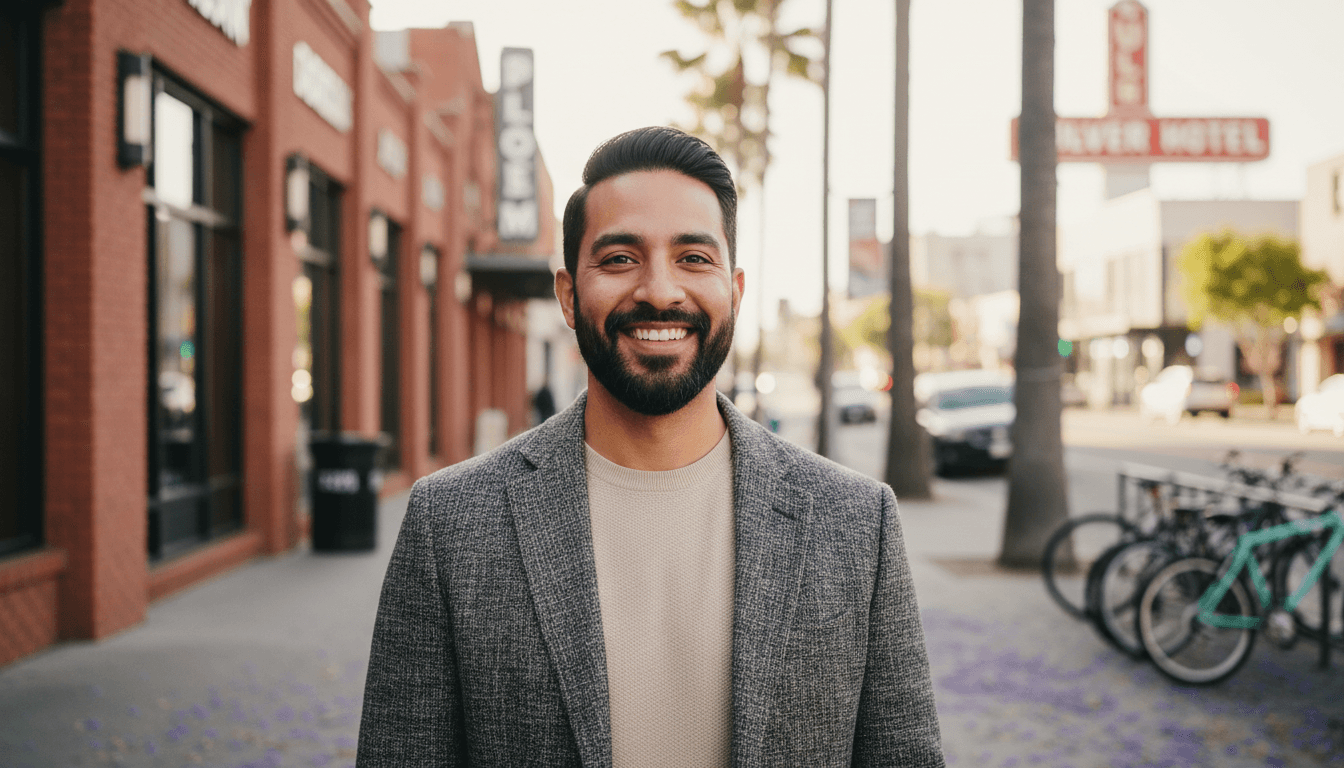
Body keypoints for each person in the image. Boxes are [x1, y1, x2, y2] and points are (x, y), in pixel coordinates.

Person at [357, 126, 943, 767]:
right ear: (568, 295)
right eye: (619, 259)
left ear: (735, 291)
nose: (660, 290)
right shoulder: (450, 522)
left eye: (693, 258)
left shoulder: (856, 522)